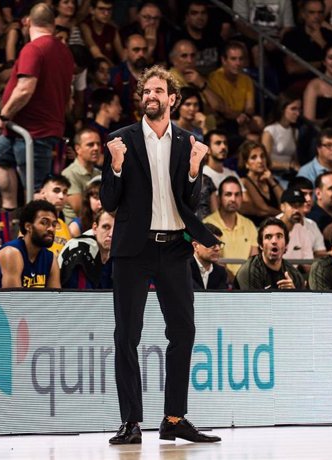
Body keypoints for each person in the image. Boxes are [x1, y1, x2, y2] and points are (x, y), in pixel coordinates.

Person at [100, 65, 221, 444]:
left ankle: (173, 418)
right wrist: (116, 167)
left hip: (174, 249)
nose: (150, 96)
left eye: (158, 90)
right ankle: (131, 423)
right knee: (127, 335)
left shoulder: (189, 142)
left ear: (172, 98)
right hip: (133, 251)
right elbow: (108, 201)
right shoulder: (120, 140)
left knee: (183, 331)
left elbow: (189, 202)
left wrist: (193, 170)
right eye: (145, 91)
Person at [0, 3, 74, 210]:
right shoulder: (64, 51)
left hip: (34, 132)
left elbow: (25, 88)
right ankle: (10, 209)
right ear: (53, 24)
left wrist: (3, 116)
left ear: (27, 22)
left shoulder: (33, 48)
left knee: (38, 192)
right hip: (20, 130)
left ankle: (40, 238)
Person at [204, 176, 259, 278]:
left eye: (237, 195)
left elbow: (254, 259)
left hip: (245, 283)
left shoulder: (249, 224)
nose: (233, 199)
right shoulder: (207, 224)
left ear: (242, 197)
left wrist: (242, 280)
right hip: (218, 282)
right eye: (228, 194)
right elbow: (212, 259)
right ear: (219, 197)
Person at [208, 41, 264, 136]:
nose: (238, 63)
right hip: (223, 120)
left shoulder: (246, 79)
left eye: (241, 59)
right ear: (224, 60)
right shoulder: (214, 78)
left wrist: (245, 116)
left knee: (259, 122)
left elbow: (250, 107)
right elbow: (222, 109)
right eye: (233, 59)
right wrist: (239, 116)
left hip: (241, 119)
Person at [233, 217, 304, 290]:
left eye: (279, 236)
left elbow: (302, 301)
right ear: (261, 245)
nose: (274, 241)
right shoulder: (248, 272)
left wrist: (293, 293)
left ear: (286, 244)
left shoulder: (295, 275)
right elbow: (253, 301)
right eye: (268, 237)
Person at [59, 208, 113, 289]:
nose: (111, 234)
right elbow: (82, 297)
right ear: (95, 228)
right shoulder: (81, 251)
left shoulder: (117, 252)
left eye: (117, 229)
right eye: (106, 227)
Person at [238, 140, 284, 226]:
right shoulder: (244, 181)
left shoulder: (270, 179)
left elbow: (285, 201)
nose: (260, 160)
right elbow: (264, 209)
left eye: (262, 156)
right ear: (246, 163)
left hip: (276, 226)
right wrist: (284, 216)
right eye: (253, 157)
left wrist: (271, 180)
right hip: (257, 227)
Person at [62, 128, 102, 221]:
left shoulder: (99, 173)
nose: (96, 148)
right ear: (77, 149)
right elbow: (81, 211)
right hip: (78, 231)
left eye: (98, 144)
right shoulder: (69, 174)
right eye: (90, 144)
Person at [110, 33, 148, 124]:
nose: (141, 54)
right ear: (126, 51)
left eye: (144, 50)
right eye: (136, 50)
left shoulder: (154, 75)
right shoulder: (116, 75)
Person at [261, 92, 301, 174]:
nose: (298, 113)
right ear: (282, 109)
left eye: (299, 109)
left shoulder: (294, 131)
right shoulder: (270, 130)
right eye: (293, 109)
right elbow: (265, 162)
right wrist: (288, 165)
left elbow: (295, 159)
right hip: (273, 174)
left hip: (289, 174)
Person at [278, 188, 314, 273]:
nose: (297, 210)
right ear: (282, 207)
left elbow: (308, 265)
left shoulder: (303, 230)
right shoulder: (270, 228)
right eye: (293, 205)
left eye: (300, 205)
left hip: (293, 278)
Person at [80, 0, 123, 66]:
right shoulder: (85, 26)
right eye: (101, 9)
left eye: (109, 9)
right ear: (92, 10)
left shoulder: (112, 30)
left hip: (108, 72)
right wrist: (115, 71)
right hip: (91, 70)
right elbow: (97, 54)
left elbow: (123, 57)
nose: (106, 13)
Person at [37, 175, 72, 256]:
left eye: (65, 192)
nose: (61, 196)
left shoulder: (65, 227)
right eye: (56, 191)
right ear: (43, 193)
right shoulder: (32, 222)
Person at [190, 223, 227, 290]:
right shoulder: (184, 268)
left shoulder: (220, 272)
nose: (217, 248)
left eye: (219, 244)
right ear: (195, 246)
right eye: (211, 243)